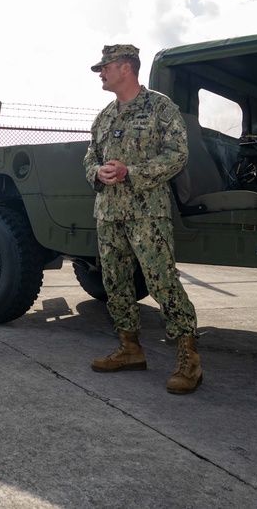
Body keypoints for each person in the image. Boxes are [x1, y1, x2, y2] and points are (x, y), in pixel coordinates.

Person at [83, 44, 203, 394]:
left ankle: (189, 358)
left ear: (125, 68)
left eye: (105, 68)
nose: (101, 74)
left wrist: (130, 172)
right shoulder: (104, 116)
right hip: (109, 212)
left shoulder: (160, 107)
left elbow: (177, 155)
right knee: (115, 282)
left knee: (161, 281)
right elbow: (90, 154)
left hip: (147, 212)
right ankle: (129, 348)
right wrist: (97, 173)